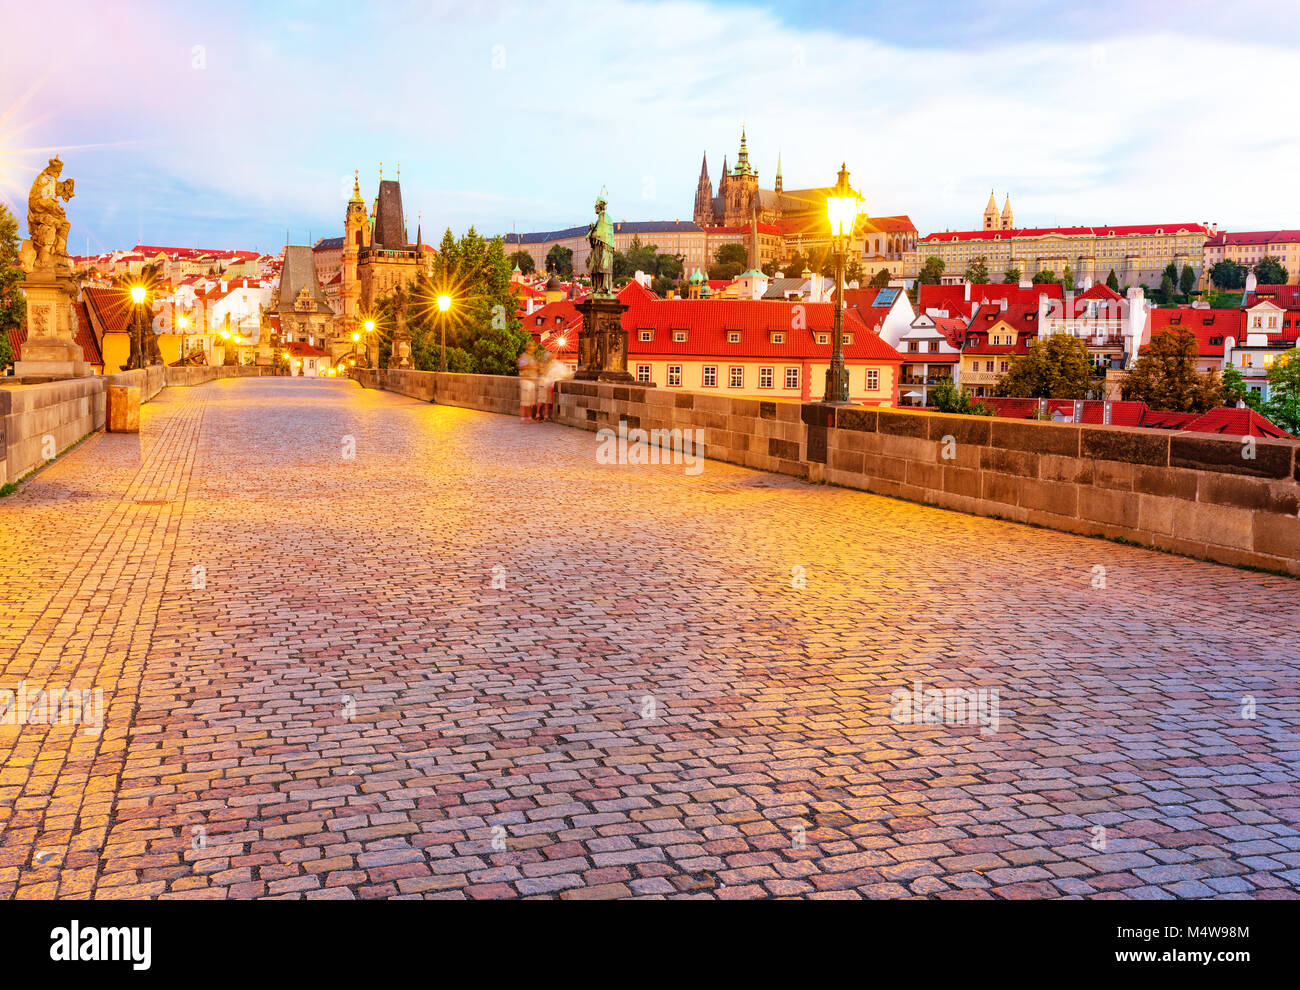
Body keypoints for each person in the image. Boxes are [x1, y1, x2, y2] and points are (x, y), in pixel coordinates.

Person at [517, 341, 539, 423]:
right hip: (525, 379)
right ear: (528, 347)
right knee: (525, 400)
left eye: (534, 346)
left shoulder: (533, 356)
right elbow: (521, 366)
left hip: (532, 380)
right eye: (532, 346)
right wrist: (532, 367)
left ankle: (529, 418)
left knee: (530, 401)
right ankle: (523, 418)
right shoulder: (524, 356)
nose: (533, 348)